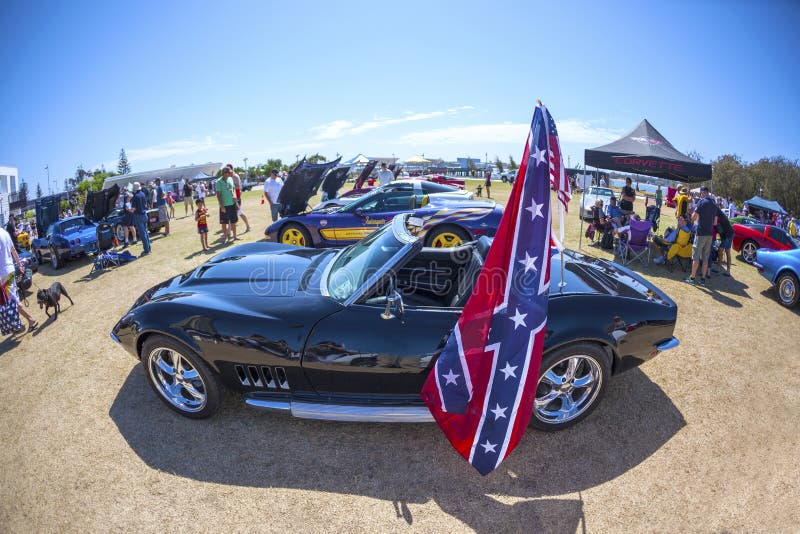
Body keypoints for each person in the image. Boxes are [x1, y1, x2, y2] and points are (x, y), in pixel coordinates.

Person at [0, 226, 38, 333]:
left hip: (3, 273)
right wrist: (19, 264)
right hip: (10, 269)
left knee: (12, 299)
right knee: (13, 297)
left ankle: (30, 320)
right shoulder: (5, 233)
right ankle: (19, 324)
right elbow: (13, 250)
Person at [685, 186, 717, 286]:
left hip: (701, 233)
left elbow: (694, 217)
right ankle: (703, 280)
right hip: (710, 234)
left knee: (696, 256)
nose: (700, 194)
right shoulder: (714, 204)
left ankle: (692, 278)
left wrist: (691, 218)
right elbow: (715, 222)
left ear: (703, 193)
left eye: (700, 193)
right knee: (705, 258)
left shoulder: (701, 202)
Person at [216, 167, 238, 243]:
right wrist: (221, 206)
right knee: (224, 222)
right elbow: (218, 195)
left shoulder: (230, 179)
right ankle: (225, 237)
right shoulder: (218, 182)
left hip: (232, 204)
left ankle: (235, 236)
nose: (230, 174)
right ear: (224, 173)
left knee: (233, 221)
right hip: (224, 205)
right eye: (229, 172)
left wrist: (235, 196)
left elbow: (233, 189)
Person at [226, 164, 251, 232]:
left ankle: (248, 226)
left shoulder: (235, 176)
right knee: (234, 214)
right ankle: (229, 231)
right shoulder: (228, 177)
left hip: (236, 198)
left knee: (239, 213)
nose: (227, 171)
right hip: (230, 198)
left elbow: (237, 187)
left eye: (228, 169)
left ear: (232, 169)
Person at [131, 182, 151, 255]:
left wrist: (130, 210)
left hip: (138, 216)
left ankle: (146, 250)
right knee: (146, 232)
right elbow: (145, 204)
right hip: (144, 214)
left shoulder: (135, 197)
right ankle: (149, 248)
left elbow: (133, 208)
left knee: (143, 234)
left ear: (134, 189)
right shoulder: (143, 194)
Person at [715, 204, 734, 277]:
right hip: (728, 234)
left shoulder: (717, 214)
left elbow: (716, 224)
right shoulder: (719, 213)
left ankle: (724, 270)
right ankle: (721, 269)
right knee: (724, 251)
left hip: (728, 235)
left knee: (723, 250)